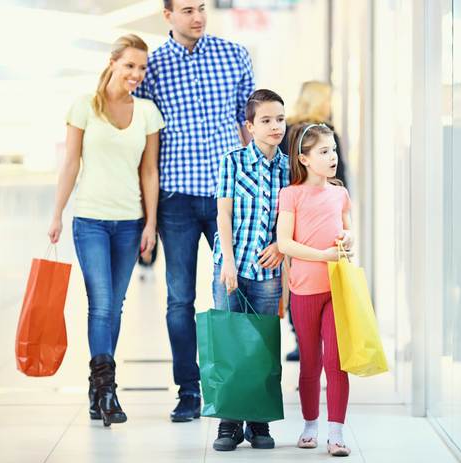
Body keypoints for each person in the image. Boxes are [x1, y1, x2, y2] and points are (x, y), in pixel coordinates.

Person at [133, 0, 255, 423]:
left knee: (235, 290)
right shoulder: (152, 67)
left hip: (227, 196)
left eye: (202, 7)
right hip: (176, 198)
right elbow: (143, 139)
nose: (198, 16)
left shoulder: (234, 55)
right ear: (167, 16)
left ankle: (238, 389)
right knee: (180, 298)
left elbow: (248, 126)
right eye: (187, 10)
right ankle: (189, 390)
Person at [47, 34, 163, 426]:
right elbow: (70, 165)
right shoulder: (84, 107)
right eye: (130, 65)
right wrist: (57, 213)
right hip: (91, 220)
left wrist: (150, 223)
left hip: (130, 224)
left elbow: (150, 171)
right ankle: (107, 389)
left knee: (115, 305)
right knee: (100, 303)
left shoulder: (147, 112)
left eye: (142, 68)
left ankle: (99, 390)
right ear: (113, 62)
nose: (136, 74)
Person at [211, 89, 289, 452]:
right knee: (229, 341)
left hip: (268, 271)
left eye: (280, 119)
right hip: (233, 266)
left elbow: (293, 220)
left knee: (261, 344)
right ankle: (229, 423)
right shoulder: (233, 161)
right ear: (250, 125)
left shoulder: (290, 168)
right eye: (267, 120)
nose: (275, 126)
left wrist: (279, 247)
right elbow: (223, 214)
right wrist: (227, 261)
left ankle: (258, 420)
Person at [277, 122, 354, 457]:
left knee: (336, 361)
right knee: (310, 362)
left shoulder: (340, 193)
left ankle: (336, 433)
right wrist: (322, 255)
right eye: (324, 151)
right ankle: (310, 425)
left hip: (337, 288)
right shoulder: (291, 194)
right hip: (304, 291)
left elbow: (347, 230)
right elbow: (284, 243)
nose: (333, 156)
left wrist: (348, 239)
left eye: (334, 149)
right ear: (304, 159)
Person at [278, 81, 347, 362]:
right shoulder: (328, 135)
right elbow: (340, 176)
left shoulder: (288, 133)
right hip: (316, 214)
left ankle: (301, 337)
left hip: (290, 212)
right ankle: (320, 336)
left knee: (294, 278)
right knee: (320, 275)